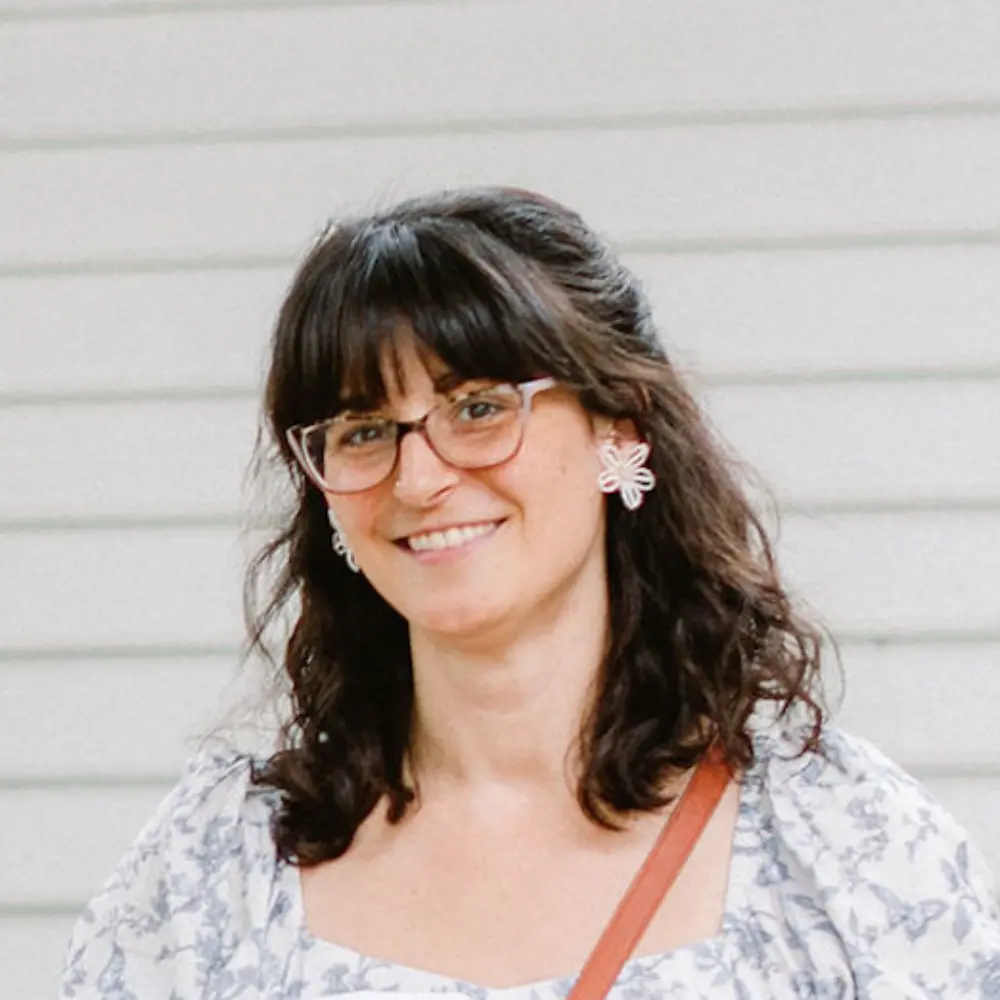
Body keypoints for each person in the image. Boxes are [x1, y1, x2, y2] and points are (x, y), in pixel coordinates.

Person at [61, 187, 1000, 999]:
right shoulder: (217, 870)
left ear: (617, 429)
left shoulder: (840, 844)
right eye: (363, 430)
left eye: (477, 408)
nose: (419, 478)